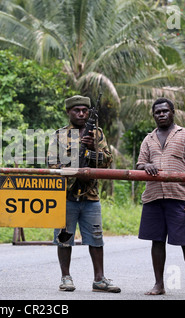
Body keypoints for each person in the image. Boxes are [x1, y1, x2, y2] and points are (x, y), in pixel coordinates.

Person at [47, 95, 120, 293]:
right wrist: (73, 163)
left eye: (84, 110)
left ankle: (99, 279)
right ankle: (66, 277)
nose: (81, 113)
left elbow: (106, 161)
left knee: (96, 238)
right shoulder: (59, 135)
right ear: (68, 112)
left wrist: (90, 149)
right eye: (76, 110)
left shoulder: (96, 134)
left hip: (90, 195)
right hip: (66, 196)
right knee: (64, 238)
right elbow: (52, 165)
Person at [136, 97, 185, 298]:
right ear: (154, 115)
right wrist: (146, 166)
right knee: (156, 242)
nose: (161, 115)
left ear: (172, 112)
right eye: (157, 112)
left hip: (179, 196)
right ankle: (159, 284)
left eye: (165, 111)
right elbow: (139, 164)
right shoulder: (148, 139)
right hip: (153, 196)